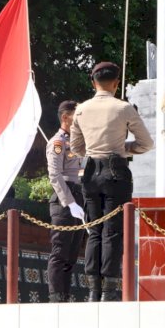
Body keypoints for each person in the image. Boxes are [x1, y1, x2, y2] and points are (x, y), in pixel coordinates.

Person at [70, 61, 154, 301]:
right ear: (116, 84)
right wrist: (122, 149)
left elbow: (77, 148)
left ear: (93, 82)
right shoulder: (124, 108)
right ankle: (109, 290)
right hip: (116, 171)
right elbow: (146, 143)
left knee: (94, 230)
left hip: (90, 173)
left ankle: (92, 289)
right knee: (113, 231)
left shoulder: (81, 110)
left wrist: (95, 150)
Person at [45, 100, 86, 303]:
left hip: (78, 195)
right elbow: (55, 175)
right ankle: (56, 296)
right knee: (60, 251)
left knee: (72, 254)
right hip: (64, 200)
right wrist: (69, 202)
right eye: (75, 116)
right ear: (65, 117)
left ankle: (65, 294)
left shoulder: (77, 142)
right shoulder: (58, 142)